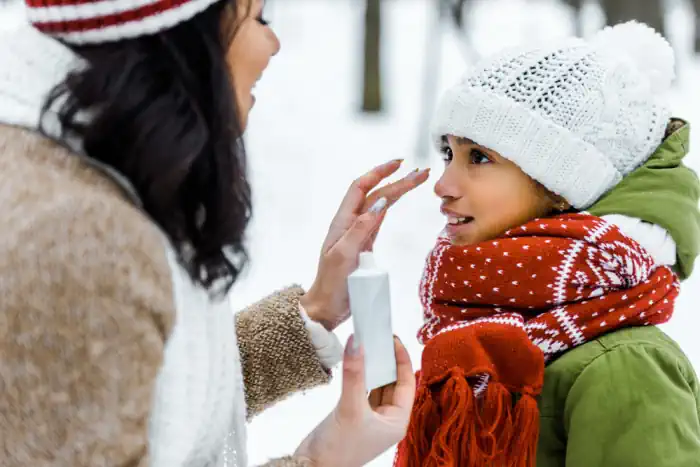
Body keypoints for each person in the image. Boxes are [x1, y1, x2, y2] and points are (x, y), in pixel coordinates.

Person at [0, 0, 429, 465]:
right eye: (260, 17)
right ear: (181, 33)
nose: (274, 43)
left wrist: (314, 313)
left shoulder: (74, 165)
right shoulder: (80, 240)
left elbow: (136, 395)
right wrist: (321, 458)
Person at [393, 21, 700, 467]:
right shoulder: (472, 337)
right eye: (449, 154)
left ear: (560, 184)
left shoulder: (624, 366)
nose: (444, 184)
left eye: (479, 157)